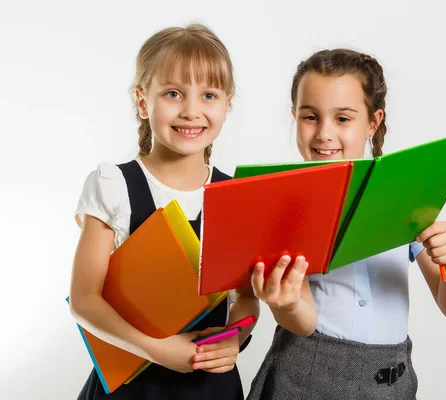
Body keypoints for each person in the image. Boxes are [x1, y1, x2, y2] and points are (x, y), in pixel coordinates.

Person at [69, 23, 308, 400]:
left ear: (227, 102)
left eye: (209, 95)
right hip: (132, 386)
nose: (191, 110)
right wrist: (155, 349)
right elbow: (84, 300)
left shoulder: (236, 195)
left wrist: (235, 338)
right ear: (143, 100)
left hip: (210, 386)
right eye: (173, 93)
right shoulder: (113, 185)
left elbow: (245, 300)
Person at [247, 48, 446, 400]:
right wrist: (285, 304)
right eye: (310, 117)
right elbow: (302, 322)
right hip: (307, 378)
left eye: (342, 118)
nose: (324, 133)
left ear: (373, 121)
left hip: (392, 383)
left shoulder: (405, 198)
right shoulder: (285, 206)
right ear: (294, 116)